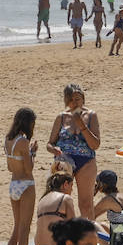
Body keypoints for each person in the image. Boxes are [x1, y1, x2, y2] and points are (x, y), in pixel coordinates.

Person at [47, 84, 100, 218]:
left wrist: (81, 124)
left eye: (77, 99)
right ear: (66, 101)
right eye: (71, 100)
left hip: (86, 161)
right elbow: (49, 143)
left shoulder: (91, 115)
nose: (74, 102)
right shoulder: (62, 117)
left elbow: (95, 144)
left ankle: (89, 235)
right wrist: (54, 149)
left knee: (86, 203)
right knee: (61, 200)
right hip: (64, 161)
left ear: (83, 99)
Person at [4, 107, 39, 245]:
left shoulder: (8, 140)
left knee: (16, 228)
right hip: (26, 185)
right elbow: (29, 169)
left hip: (13, 184)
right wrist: (32, 153)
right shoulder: (23, 142)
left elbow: (10, 167)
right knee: (25, 229)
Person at [34, 173, 78, 245]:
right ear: (65, 184)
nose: (72, 190)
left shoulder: (42, 199)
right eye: (71, 186)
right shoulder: (65, 198)